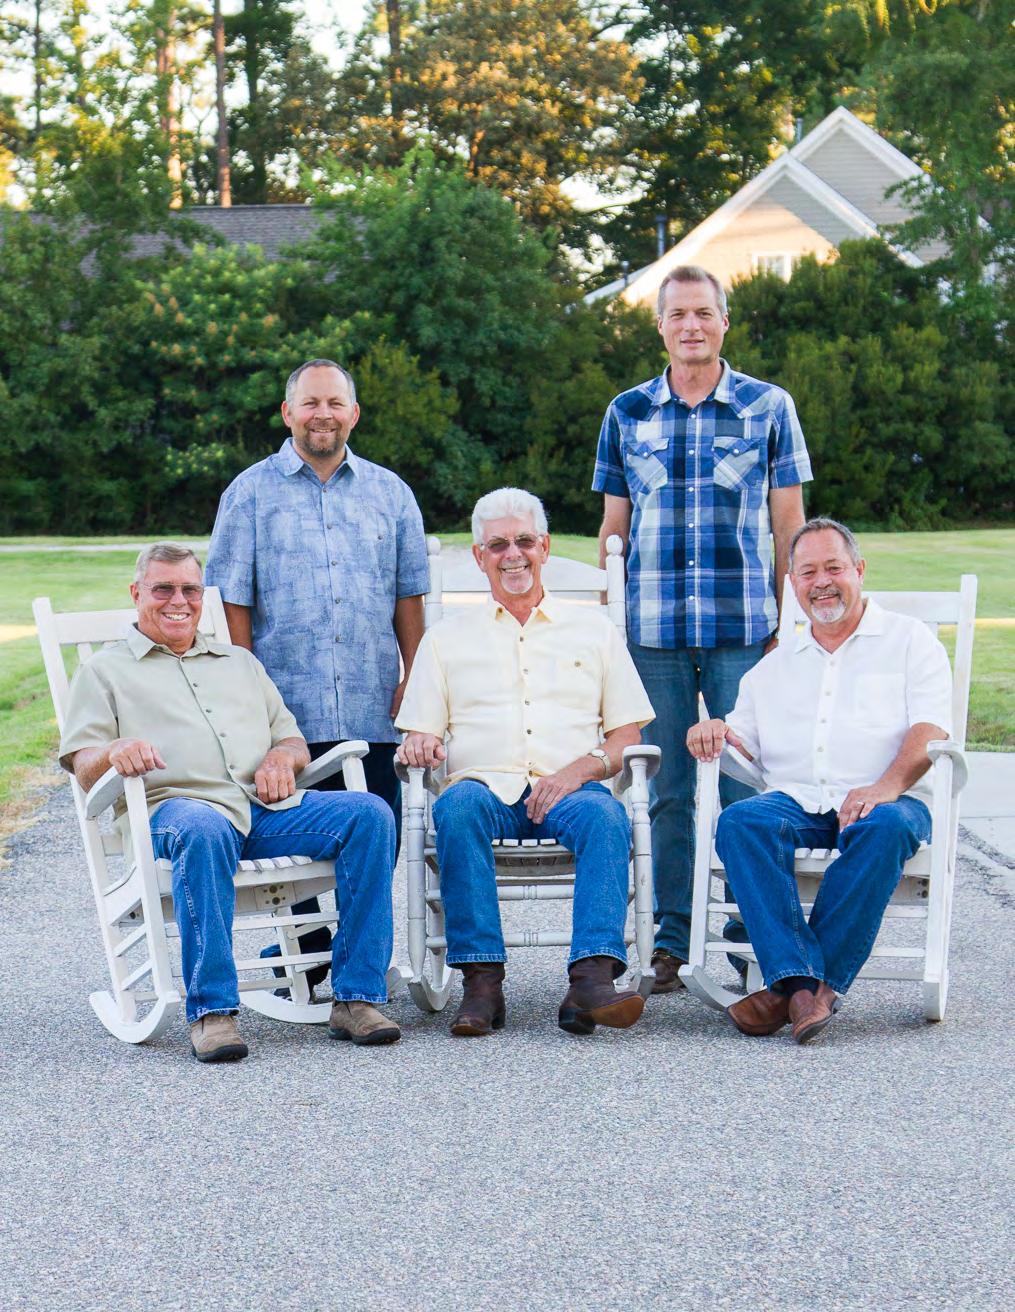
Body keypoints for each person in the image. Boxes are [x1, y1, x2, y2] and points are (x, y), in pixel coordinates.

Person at [59, 543, 401, 1062]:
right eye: (163, 589)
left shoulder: (240, 663)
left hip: (260, 809)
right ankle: (212, 1012)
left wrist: (281, 758)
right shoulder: (105, 672)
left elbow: (291, 740)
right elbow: (83, 766)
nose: (179, 601)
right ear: (136, 594)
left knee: (370, 814)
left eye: (190, 589)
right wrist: (113, 751)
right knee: (203, 826)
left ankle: (356, 998)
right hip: (174, 811)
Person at [593, 263, 813, 992]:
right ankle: (670, 940)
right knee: (665, 789)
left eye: (703, 313)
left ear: (724, 321)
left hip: (743, 627)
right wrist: (609, 622)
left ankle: (754, 936)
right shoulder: (626, 411)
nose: (691, 325)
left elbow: (789, 522)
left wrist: (787, 621)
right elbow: (613, 528)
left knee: (749, 785)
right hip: (651, 631)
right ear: (659, 325)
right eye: (677, 314)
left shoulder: (768, 406)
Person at [395, 488, 655, 1038]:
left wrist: (579, 771)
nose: (512, 555)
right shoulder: (444, 639)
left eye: (524, 542)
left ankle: (591, 980)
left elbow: (626, 736)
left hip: (573, 789)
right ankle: (482, 983)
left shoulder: (594, 631)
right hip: (482, 786)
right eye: (497, 545)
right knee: (457, 808)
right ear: (478, 556)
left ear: (545, 547)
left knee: (607, 816)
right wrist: (421, 744)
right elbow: (422, 731)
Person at [205, 358, 429, 990]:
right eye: (310, 403)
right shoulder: (249, 493)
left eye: (334, 403)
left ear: (353, 413)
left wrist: (414, 677)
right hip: (287, 711)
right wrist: (248, 692)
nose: (322, 414)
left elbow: (408, 595)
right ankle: (307, 951)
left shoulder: (391, 493)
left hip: (370, 701)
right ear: (288, 413)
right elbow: (231, 601)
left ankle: (338, 957)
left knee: (376, 835)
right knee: (293, 841)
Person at [687, 519, 952, 1044]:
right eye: (807, 572)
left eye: (834, 567)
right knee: (741, 821)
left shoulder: (909, 641)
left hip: (892, 799)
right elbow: (742, 743)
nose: (822, 582)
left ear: (859, 570)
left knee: (884, 828)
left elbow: (931, 730)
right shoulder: (774, 667)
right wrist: (714, 731)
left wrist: (886, 786)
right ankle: (804, 986)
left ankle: (799, 989)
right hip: (800, 801)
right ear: (793, 583)